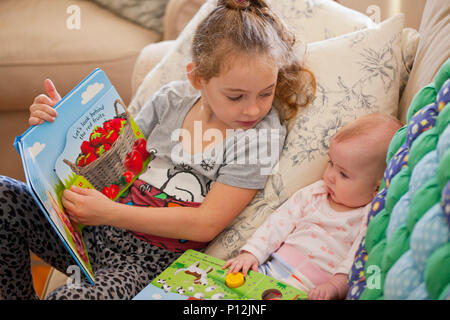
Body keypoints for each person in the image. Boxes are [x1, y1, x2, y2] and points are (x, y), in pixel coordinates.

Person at [0, 0, 314, 299]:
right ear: (197, 78)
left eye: (266, 93)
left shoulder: (260, 137)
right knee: (4, 196)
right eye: (236, 96)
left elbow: (207, 223)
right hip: (94, 230)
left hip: (146, 262)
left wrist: (111, 213)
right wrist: (58, 120)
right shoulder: (170, 101)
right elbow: (118, 157)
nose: (253, 109)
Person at [223, 113, 402, 300]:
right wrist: (252, 253)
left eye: (343, 174)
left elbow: (356, 260)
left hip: (311, 291)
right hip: (269, 272)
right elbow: (278, 223)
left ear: (376, 188)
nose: (330, 175)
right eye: (331, 163)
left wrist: (335, 287)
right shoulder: (314, 194)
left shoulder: (369, 217)